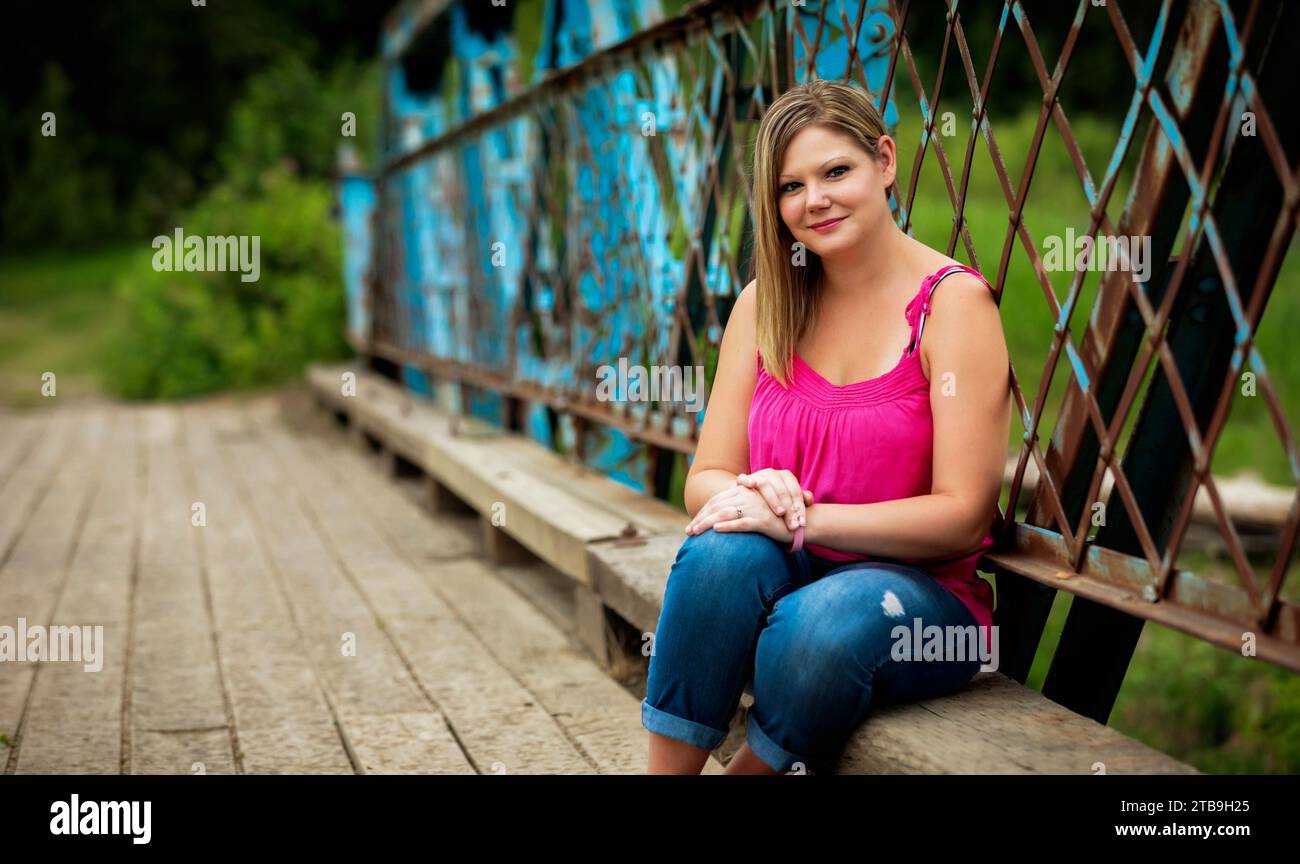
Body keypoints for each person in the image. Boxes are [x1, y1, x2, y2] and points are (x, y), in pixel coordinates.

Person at [642, 78, 1012, 775]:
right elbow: (706, 481)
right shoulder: (765, 305)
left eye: (836, 171)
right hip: (793, 571)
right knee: (718, 557)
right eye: (790, 186)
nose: (814, 200)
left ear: (885, 161)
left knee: (818, 626)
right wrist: (756, 492)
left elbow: (963, 517)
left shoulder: (954, 307)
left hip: (922, 602)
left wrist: (805, 522)